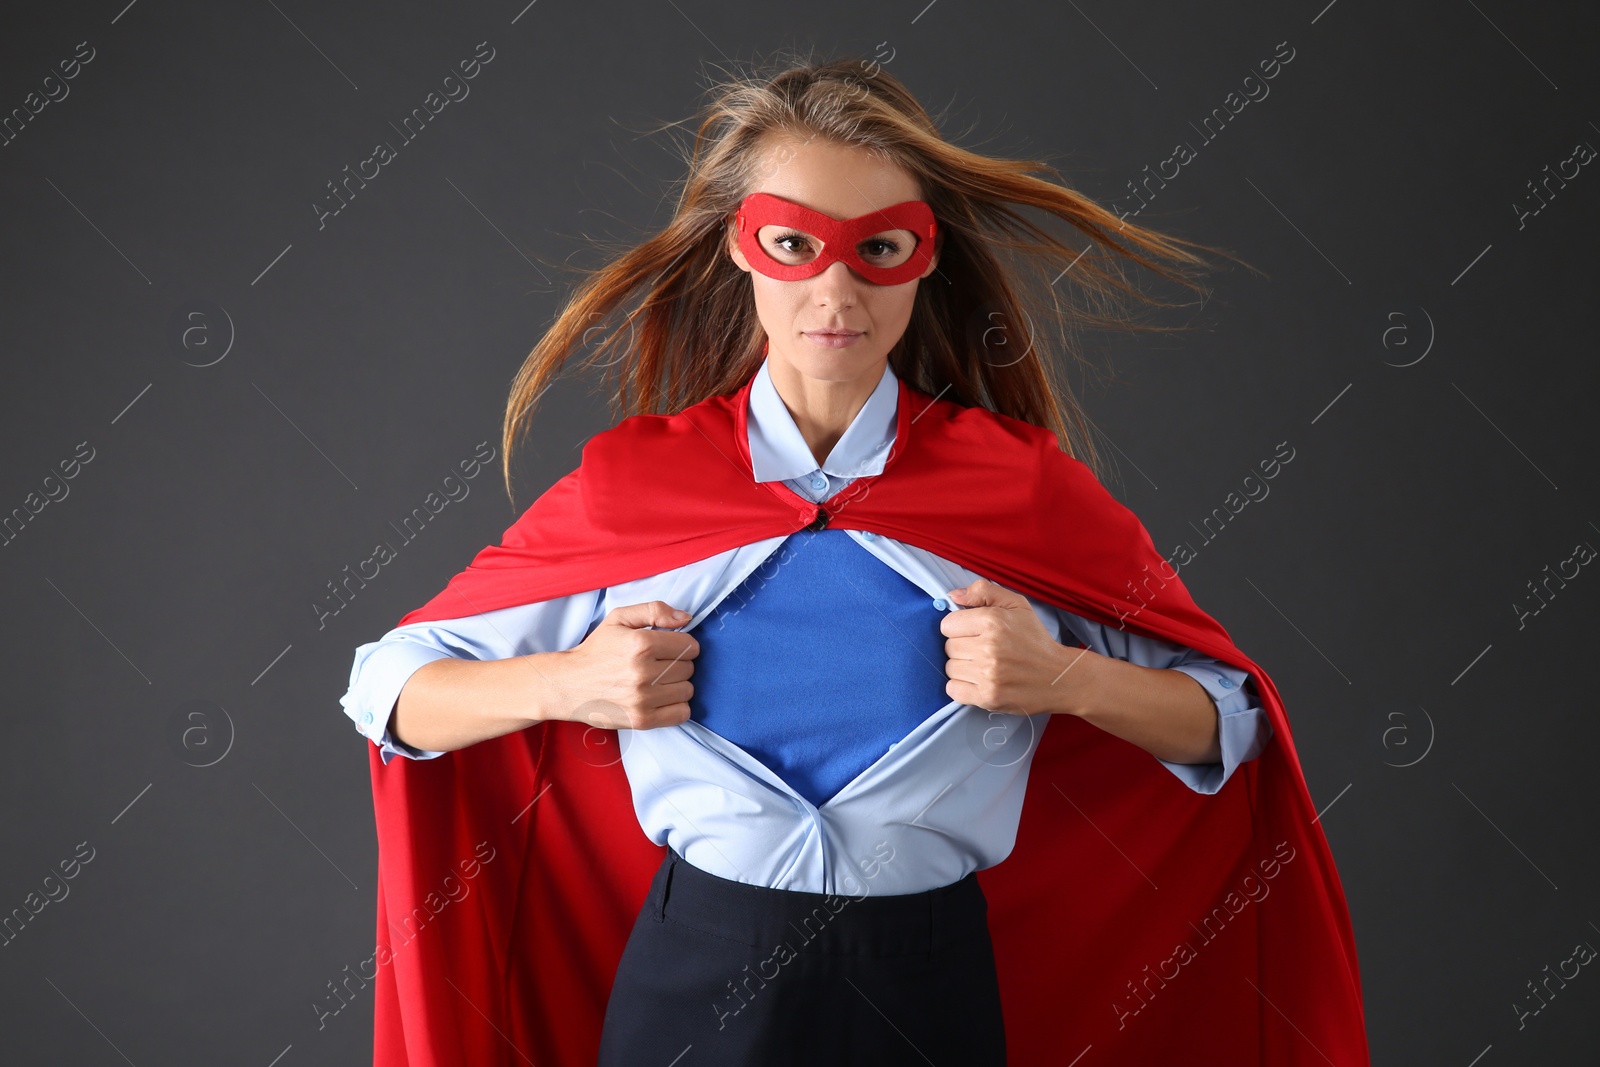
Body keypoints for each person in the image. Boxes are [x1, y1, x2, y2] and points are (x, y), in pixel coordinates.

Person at [341, 53, 1369, 1066]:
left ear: (925, 259)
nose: (834, 291)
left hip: (927, 977)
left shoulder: (1019, 488)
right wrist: (566, 680)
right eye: (792, 243)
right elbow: (385, 689)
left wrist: (1067, 677)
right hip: (696, 971)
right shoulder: (636, 487)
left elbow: (1228, 721)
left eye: (877, 248)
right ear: (740, 251)